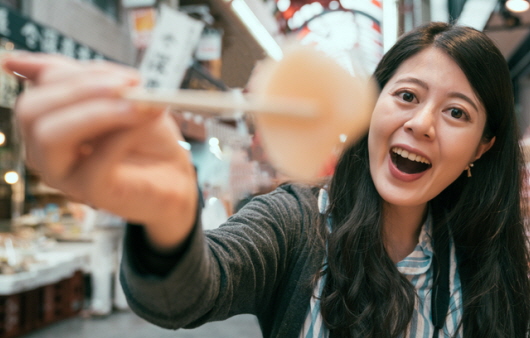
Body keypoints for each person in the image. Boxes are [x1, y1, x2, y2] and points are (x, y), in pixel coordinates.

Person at [3, 22, 529, 338]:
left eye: (457, 113)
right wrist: (166, 212)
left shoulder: (492, 257)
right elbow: (189, 294)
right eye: (407, 96)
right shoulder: (296, 223)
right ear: (371, 107)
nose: (421, 123)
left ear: (483, 148)